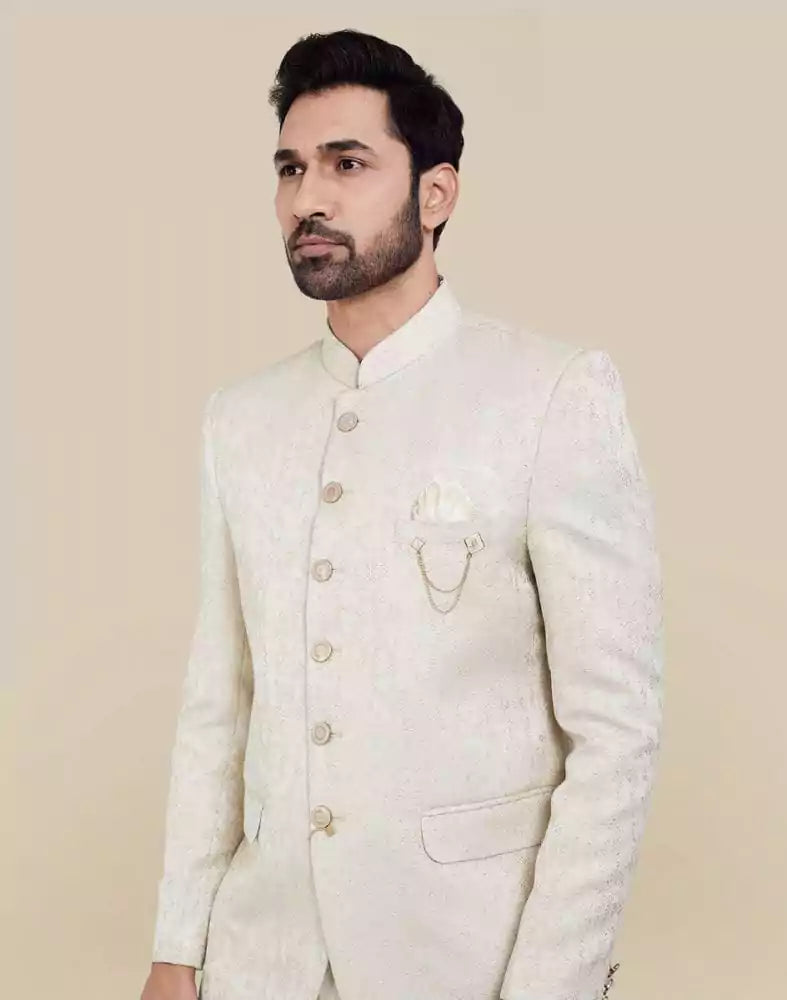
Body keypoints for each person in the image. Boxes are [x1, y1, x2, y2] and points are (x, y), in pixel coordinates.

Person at [141, 28, 663, 1000]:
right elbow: (220, 704)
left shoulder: (550, 395)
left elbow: (616, 733)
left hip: (466, 958)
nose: (309, 198)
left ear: (435, 194)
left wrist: (551, 983)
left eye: (348, 164)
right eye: (290, 168)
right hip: (262, 958)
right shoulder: (240, 420)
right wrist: (179, 945)